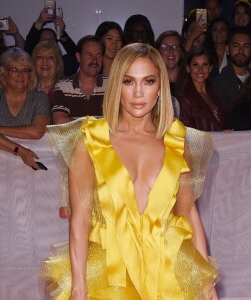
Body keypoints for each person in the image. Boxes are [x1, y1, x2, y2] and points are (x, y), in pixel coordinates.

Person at [40, 43, 219, 299]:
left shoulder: (177, 141)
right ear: (116, 86)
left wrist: (206, 283)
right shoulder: (90, 140)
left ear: (160, 88)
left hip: (168, 275)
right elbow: (79, 220)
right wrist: (79, 287)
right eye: (128, 81)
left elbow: (189, 214)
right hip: (111, 277)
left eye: (147, 81)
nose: (137, 93)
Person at [0, 47, 51, 170]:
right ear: (3, 73)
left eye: (25, 70)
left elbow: (37, 131)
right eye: (14, 69)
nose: (20, 74)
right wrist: (20, 151)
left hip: (30, 165)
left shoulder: (40, 99)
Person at [51, 35, 107, 124]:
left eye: (98, 55)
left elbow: (121, 119)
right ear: (78, 57)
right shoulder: (63, 86)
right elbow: (60, 121)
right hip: (75, 138)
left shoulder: (112, 85)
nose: (95, 60)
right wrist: (96, 129)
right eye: (89, 55)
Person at [176, 47, 225, 131]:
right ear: (188, 68)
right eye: (195, 65)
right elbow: (184, 133)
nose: (200, 70)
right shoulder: (184, 99)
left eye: (205, 65)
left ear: (210, 68)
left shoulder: (215, 96)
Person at [24, 8, 79, 76]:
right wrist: (40, 21)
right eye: (44, 40)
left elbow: (77, 57)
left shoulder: (62, 64)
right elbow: (29, 45)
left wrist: (61, 33)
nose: (48, 43)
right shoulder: (32, 63)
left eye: (51, 40)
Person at [212, 27, 251, 109]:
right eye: (236, 46)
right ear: (227, 49)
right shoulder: (220, 83)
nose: (241, 51)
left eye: (246, 46)